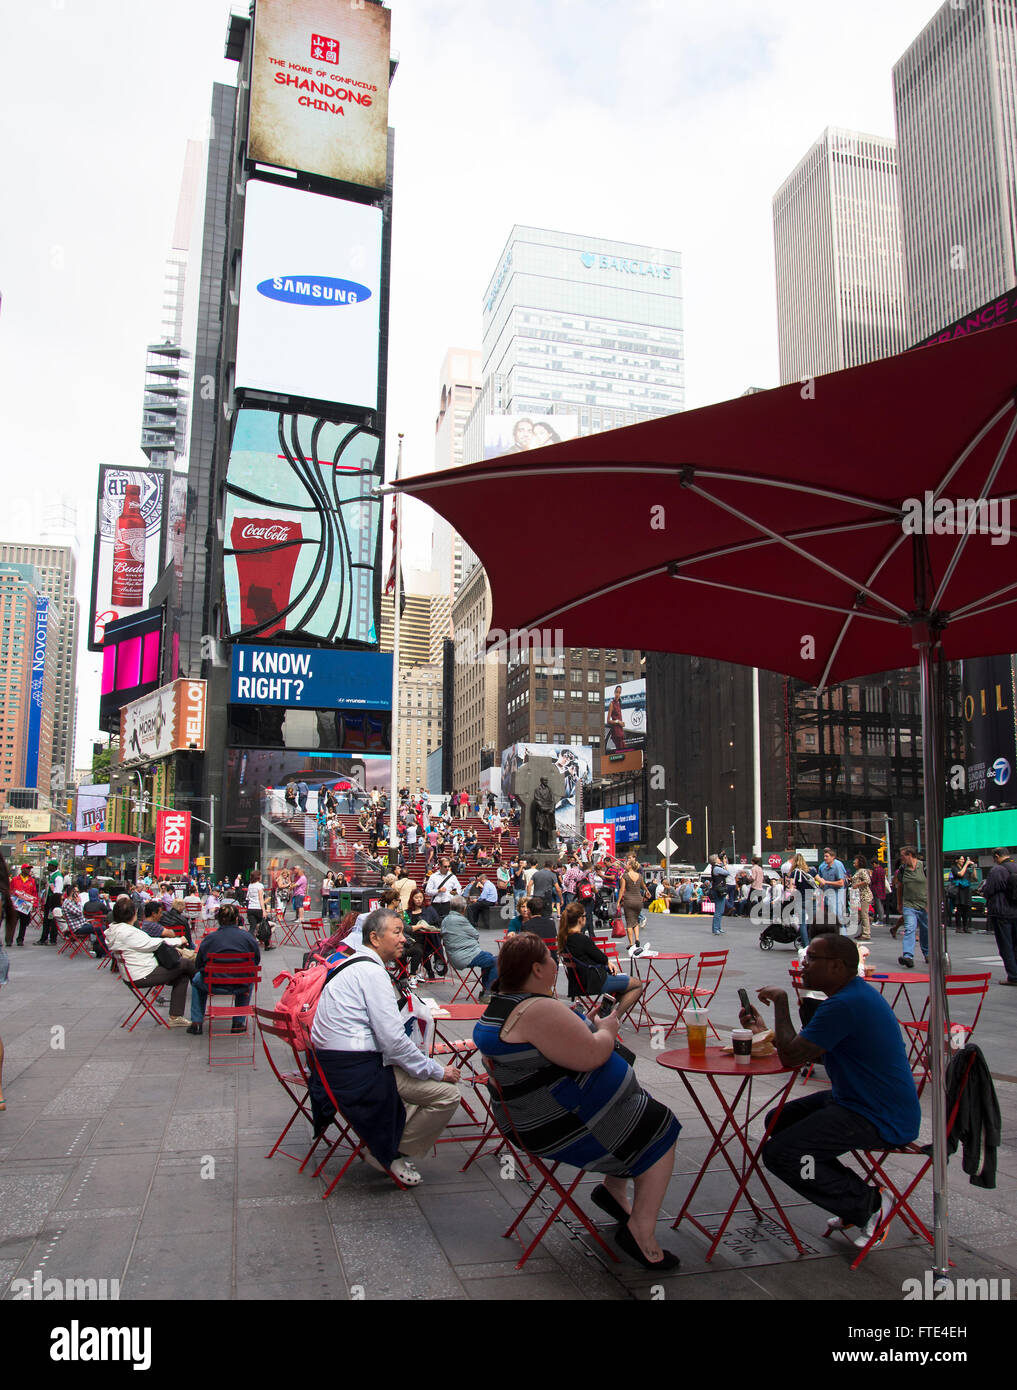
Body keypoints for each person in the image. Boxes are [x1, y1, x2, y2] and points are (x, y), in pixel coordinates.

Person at [474, 933, 681, 1269]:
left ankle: (614, 1191)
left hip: (532, 1115)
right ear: (537, 969)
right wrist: (607, 1030)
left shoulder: (504, 1002)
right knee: (661, 1126)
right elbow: (593, 1055)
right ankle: (640, 1232)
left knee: (641, 1109)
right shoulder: (537, 1009)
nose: (557, 963)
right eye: (550, 958)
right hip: (560, 1123)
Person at [739, 932, 920, 1247]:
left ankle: (868, 1205)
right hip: (855, 1100)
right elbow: (809, 1051)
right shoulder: (849, 997)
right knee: (778, 1120)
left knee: (781, 1154)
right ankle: (849, 1197)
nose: (803, 966)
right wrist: (762, 1031)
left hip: (879, 1115)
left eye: (811, 960)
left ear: (836, 966)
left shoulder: (846, 1004)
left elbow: (792, 1057)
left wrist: (782, 1002)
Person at [309, 908, 462, 1186]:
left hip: (332, 1067)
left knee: (416, 1075)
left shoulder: (353, 964)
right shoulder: (371, 972)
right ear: (374, 938)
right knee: (447, 1094)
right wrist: (437, 1071)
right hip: (354, 1072)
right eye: (397, 932)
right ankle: (389, 1153)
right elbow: (393, 1041)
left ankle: (387, 1144)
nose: (404, 939)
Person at [104, 895, 195, 1026]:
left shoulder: (115, 930)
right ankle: (207, 984)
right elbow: (152, 943)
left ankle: (176, 1016)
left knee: (183, 973)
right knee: (185, 963)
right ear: (133, 914)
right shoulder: (128, 932)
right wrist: (179, 940)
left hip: (133, 973)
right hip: (142, 974)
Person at [558, 902, 642, 1020]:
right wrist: (608, 963)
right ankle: (614, 1018)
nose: (586, 918)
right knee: (637, 984)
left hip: (577, 984)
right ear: (580, 919)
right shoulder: (582, 939)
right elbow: (602, 958)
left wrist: (606, 963)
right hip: (593, 982)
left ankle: (605, 1010)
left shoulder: (565, 939)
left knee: (621, 985)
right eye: (585, 916)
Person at [186, 901, 260, 1036]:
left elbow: (199, 964)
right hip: (241, 984)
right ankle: (238, 1022)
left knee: (197, 980)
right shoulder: (248, 938)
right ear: (237, 919)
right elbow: (256, 960)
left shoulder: (210, 939)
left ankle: (196, 1022)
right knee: (248, 979)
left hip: (213, 984)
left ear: (219, 920)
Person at [440, 896, 498, 998]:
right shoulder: (461, 920)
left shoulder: (445, 920)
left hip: (455, 956)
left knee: (488, 958)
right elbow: (476, 934)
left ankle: (485, 990)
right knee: (496, 961)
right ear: (464, 908)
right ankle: (488, 992)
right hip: (466, 956)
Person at [982, 847, 1017, 986]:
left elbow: (989, 890)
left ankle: (1013, 976)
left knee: (1005, 945)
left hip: (1002, 912)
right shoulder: (1015, 867)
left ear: (996, 856)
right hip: (1015, 910)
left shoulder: (997, 870)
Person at [894, 845, 928, 969]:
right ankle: (908, 956)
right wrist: (899, 903)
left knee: (926, 930)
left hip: (924, 904)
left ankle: (927, 953)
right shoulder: (903, 869)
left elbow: (932, 885)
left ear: (910, 855)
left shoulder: (924, 867)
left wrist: (929, 904)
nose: (901, 858)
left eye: (903, 855)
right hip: (909, 905)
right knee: (910, 928)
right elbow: (900, 887)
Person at [617, 854, 650, 957]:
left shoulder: (625, 876)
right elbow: (643, 885)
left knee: (629, 922)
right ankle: (637, 939)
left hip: (629, 900)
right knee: (635, 920)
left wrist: (618, 902)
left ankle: (631, 943)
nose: (625, 865)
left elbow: (622, 890)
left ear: (630, 866)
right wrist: (647, 891)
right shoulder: (639, 876)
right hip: (638, 900)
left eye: (626, 864)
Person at [9, 864, 39, 948]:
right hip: (16, 904)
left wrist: (35, 904)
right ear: (22, 870)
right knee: (13, 922)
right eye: (27, 868)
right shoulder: (15, 879)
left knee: (23, 923)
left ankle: (20, 939)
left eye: (30, 869)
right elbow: (10, 890)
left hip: (26, 905)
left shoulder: (31, 881)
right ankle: (9, 939)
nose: (29, 870)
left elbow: (34, 893)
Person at [424, 856, 461, 922]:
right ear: (440, 866)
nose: (447, 868)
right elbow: (427, 891)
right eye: (445, 866)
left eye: (448, 866)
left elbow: (459, 889)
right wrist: (438, 891)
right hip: (436, 904)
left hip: (448, 904)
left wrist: (455, 892)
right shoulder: (433, 876)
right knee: (435, 924)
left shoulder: (453, 877)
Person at [947, 855, 976, 935]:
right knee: (959, 909)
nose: (963, 861)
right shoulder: (954, 868)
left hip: (966, 890)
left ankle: (966, 927)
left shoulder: (966, 869)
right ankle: (958, 927)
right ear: (957, 860)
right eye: (961, 859)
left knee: (966, 909)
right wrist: (966, 864)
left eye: (964, 860)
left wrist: (973, 868)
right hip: (959, 890)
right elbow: (960, 874)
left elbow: (974, 878)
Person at [849, 855, 873, 941]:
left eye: (855, 862)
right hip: (859, 896)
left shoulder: (862, 871)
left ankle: (866, 933)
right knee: (862, 914)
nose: (854, 863)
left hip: (864, 896)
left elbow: (867, 881)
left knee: (864, 915)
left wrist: (857, 885)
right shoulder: (858, 871)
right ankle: (863, 932)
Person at [246, 869, 270, 949]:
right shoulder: (260, 886)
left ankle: (248, 943)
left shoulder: (250, 885)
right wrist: (264, 910)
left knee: (252, 927)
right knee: (266, 925)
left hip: (250, 908)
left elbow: (248, 897)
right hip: (258, 907)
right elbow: (261, 899)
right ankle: (267, 944)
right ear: (258, 877)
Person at [706, 854, 728, 935]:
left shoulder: (716, 868)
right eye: (718, 858)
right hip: (718, 890)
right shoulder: (717, 869)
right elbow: (727, 872)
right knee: (718, 910)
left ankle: (718, 927)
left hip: (718, 889)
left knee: (721, 910)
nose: (720, 859)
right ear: (715, 860)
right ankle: (715, 928)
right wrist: (725, 864)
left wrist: (724, 862)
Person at [605, 685, 627, 751]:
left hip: (620, 730)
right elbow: (608, 720)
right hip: (616, 732)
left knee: (624, 750)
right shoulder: (612, 704)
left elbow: (619, 718)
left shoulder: (619, 703)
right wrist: (618, 722)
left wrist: (622, 723)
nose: (618, 694)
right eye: (617, 692)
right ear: (614, 692)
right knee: (622, 750)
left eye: (619, 692)